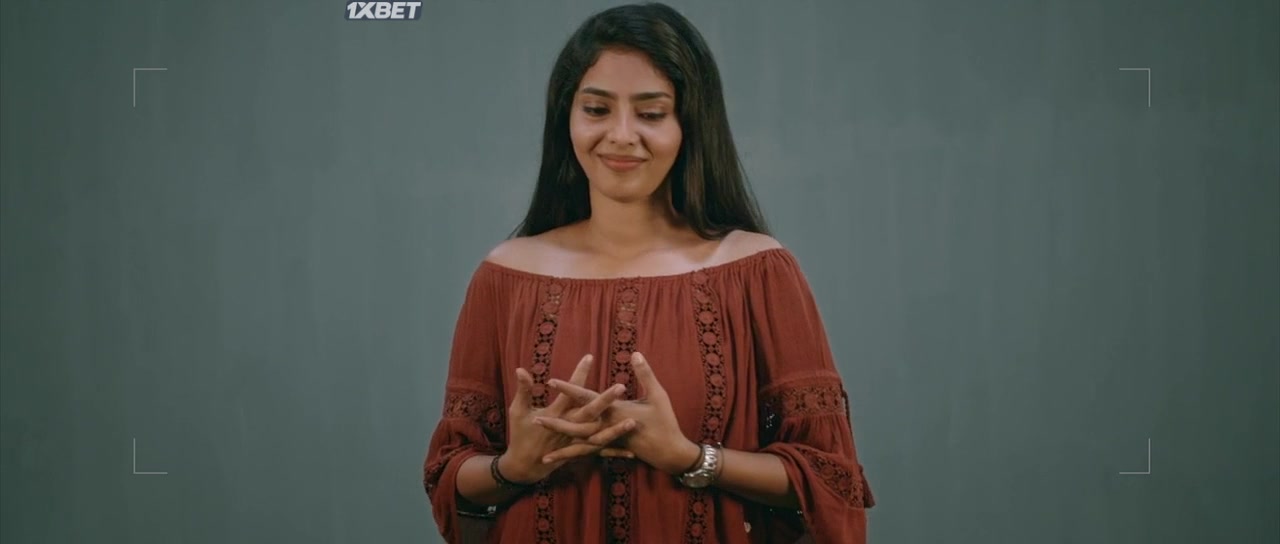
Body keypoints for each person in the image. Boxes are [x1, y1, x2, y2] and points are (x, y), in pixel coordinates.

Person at [422, 3, 874, 542]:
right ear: (567, 118)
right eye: (596, 109)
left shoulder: (757, 270)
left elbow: (831, 479)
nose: (621, 134)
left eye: (652, 113)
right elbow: (448, 474)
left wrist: (689, 457)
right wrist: (514, 466)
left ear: (690, 124)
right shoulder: (504, 276)